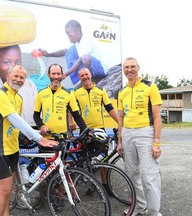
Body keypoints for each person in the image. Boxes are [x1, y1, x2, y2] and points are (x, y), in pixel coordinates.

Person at [0, 65, 57, 216]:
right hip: (0, 147)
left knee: (9, 189)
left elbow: (16, 124)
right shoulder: (0, 95)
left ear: (25, 81)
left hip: (13, 147)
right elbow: (14, 118)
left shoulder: (18, 97)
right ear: (8, 76)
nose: (18, 79)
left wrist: (32, 134)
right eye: (16, 76)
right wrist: (39, 138)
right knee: (4, 190)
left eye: (21, 77)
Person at [116, 57, 162, 216]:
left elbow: (157, 117)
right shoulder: (122, 92)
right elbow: (120, 117)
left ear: (138, 68)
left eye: (132, 66)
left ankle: (154, 212)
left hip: (145, 132)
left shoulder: (150, 86)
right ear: (123, 70)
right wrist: (119, 141)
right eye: (126, 67)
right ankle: (139, 206)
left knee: (150, 176)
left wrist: (156, 142)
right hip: (127, 133)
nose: (129, 70)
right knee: (131, 174)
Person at [74, 67, 119, 196]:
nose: (85, 77)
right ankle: (93, 184)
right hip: (85, 131)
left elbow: (109, 107)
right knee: (88, 160)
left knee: (103, 159)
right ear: (80, 78)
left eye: (86, 74)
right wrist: (71, 123)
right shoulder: (76, 93)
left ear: (91, 75)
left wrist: (120, 122)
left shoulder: (100, 90)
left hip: (100, 129)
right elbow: (72, 110)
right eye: (82, 75)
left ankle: (105, 186)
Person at [39, 20, 110, 86]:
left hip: (101, 69)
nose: (68, 38)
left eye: (70, 35)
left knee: (85, 58)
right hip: (93, 67)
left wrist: (65, 74)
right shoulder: (76, 42)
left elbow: (80, 61)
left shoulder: (86, 41)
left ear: (77, 33)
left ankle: (91, 79)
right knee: (70, 51)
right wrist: (49, 54)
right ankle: (81, 78)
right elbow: (64, 51)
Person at [33, 63, 87, 139]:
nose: (56, 77)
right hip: (46, 138)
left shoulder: (68, 94)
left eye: (58, 74)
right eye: (53, 74)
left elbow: (76, 116)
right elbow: (36, 115)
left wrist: (87, 131)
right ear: (48, 75)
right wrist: (42, 126)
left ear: (62, 75)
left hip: (64, 139)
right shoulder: (41, 93)